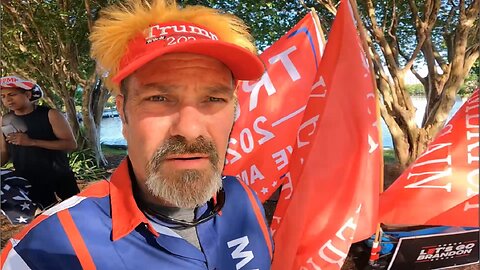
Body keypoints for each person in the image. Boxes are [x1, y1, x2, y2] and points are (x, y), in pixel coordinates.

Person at [1, 1, 273, 269]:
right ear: (122, 112)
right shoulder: (45, 252)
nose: (190, 130)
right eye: (159, 98)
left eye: (214, 98)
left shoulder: (244, 199)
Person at [0, 76, 80, 211]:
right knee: (48, 219)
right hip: (30, 180)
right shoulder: (5, 120)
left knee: (77, 213)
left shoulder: (50, 114)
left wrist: (31, 142)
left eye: (12, 94)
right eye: (2, 96)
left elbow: (70, 144)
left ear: (27, 94)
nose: (7, 100)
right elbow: (4, 151)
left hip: (60, 175)